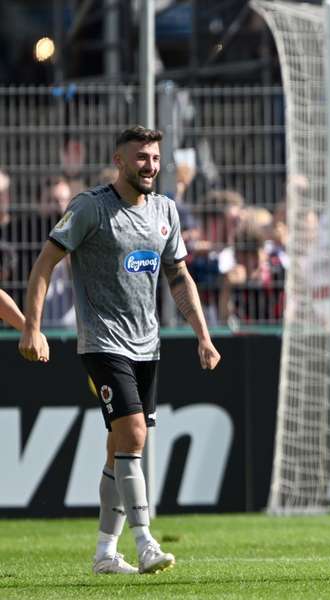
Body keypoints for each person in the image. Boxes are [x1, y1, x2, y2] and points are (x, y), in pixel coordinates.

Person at [18, 126, 221, 575]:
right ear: (120, 160)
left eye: (154, 158)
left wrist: (203, 336)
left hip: (147, 344)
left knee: (120, 449)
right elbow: (44, 264)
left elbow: (179, 277)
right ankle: (145, 540)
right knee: (133, 435)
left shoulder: (165, 210)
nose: (149, 165)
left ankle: (105, 554)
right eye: (141, 158)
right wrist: (32, 328)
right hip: (102, 341)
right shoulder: (91, 207)